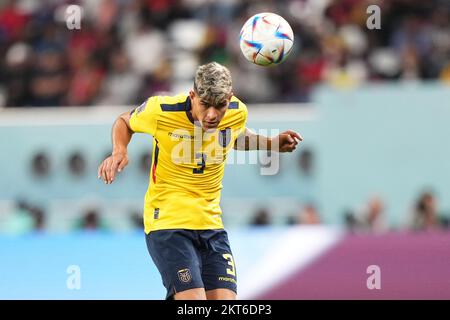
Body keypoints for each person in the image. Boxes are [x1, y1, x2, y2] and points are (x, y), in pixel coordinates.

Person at [97, 62, 302, 300]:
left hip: (211, 224)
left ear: (230, 98)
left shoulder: (237, 112)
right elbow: (124, 121)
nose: (212, 115)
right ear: (192, 95)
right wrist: (119, 150)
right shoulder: (161, 110)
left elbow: (233, 136)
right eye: (205, 105)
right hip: (168, 223)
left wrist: (271, 143)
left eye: (220, 106)